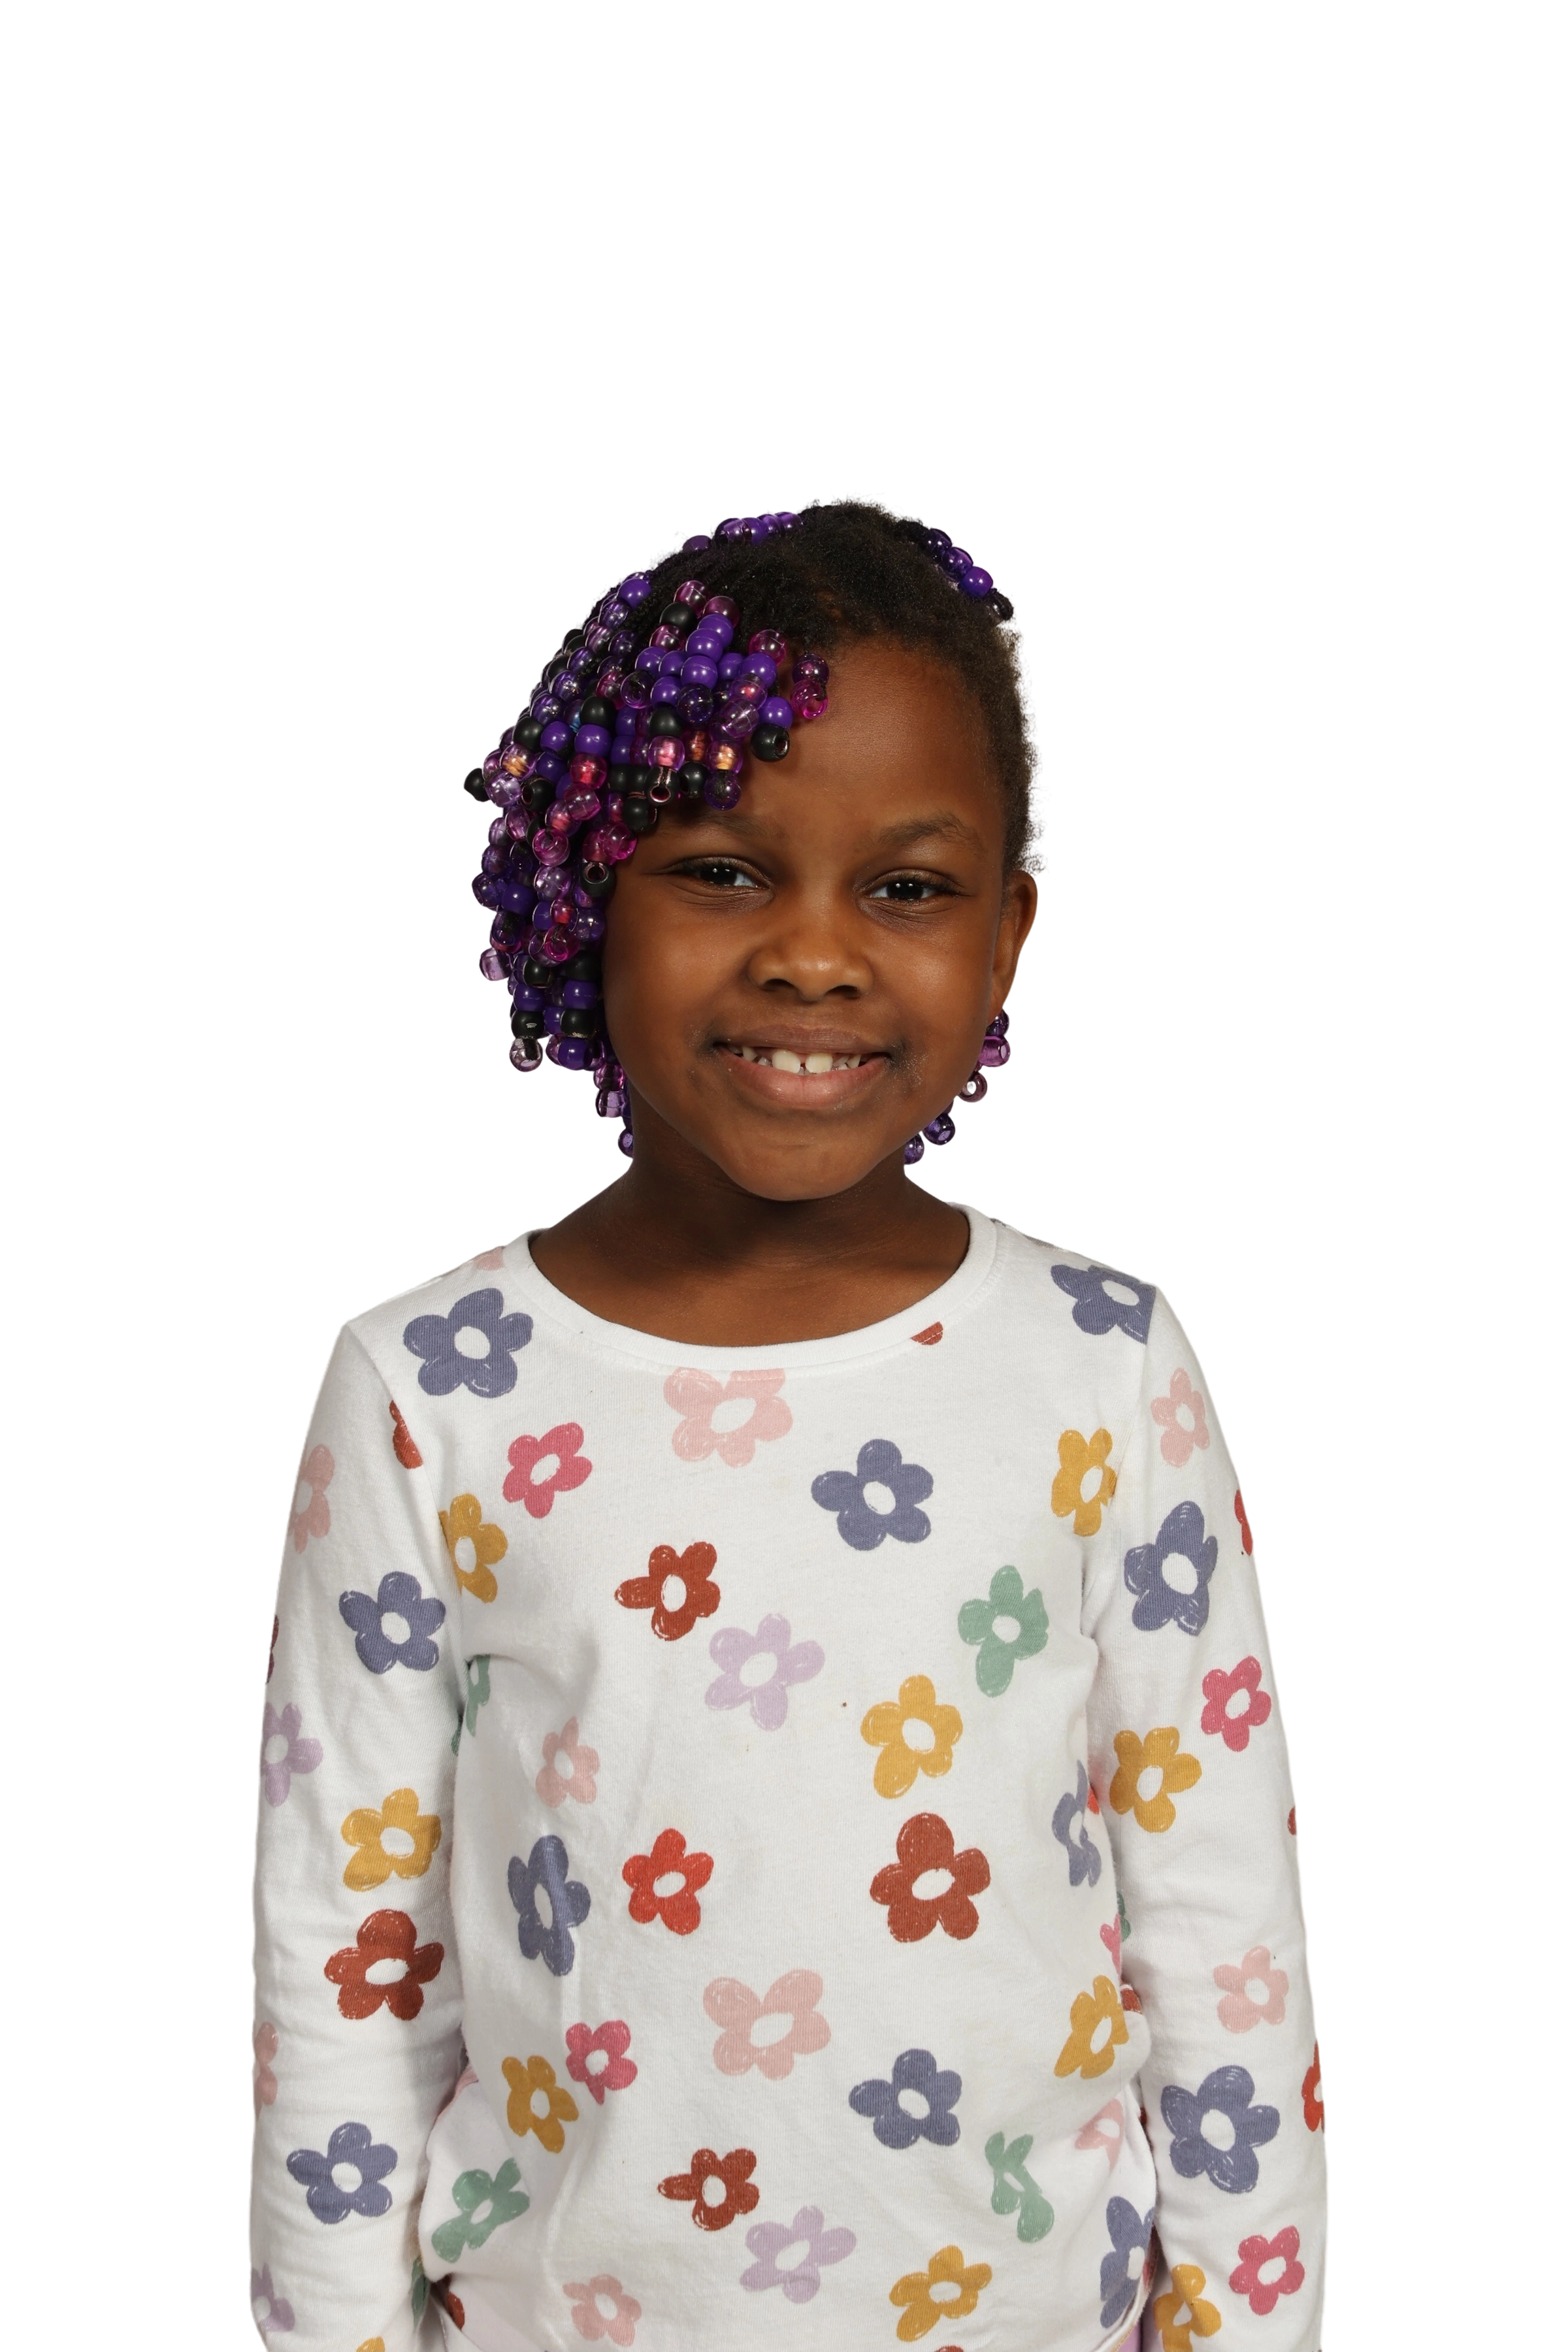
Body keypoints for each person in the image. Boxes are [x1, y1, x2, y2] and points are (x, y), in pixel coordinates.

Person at [248, 494, 1328, 2352]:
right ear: (583, 887)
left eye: (905, 890)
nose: (814, 956)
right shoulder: (430, 1392)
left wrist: (1250, 2320)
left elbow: (1220, 1923)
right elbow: (344, 1974)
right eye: (724, 871)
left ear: (1010, 929)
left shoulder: (1104, 1364)